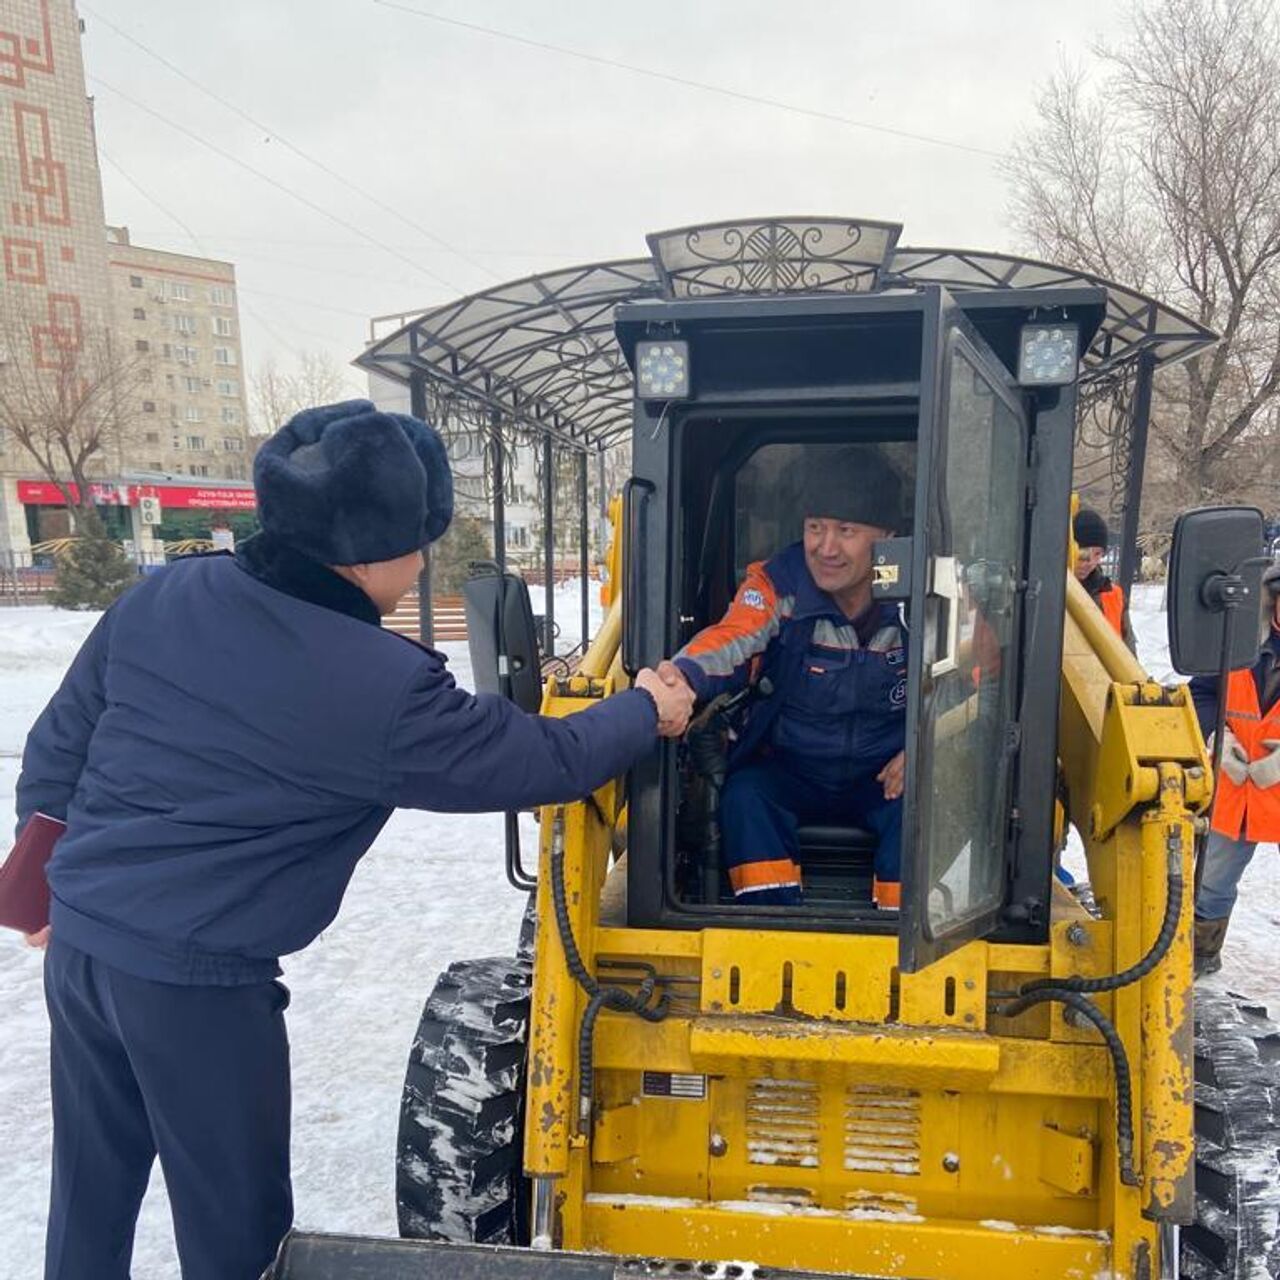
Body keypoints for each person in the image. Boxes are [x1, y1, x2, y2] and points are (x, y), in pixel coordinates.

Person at [16, 400, 693, 1280]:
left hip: (81, 949)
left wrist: (40, 890)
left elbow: (59, 743)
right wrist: (647, 707)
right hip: (199, 988)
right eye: (422, 542)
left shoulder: (168, 591)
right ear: (380, 554)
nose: (422, 564)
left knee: (90, 1196)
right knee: (236, 1232)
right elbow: (542, 759)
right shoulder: (381, 687)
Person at [658, 446, 907, 908]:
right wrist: (683, 676)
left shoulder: (926, 593)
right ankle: (768, 928)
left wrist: (929, 750)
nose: (825, 547)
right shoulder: (778, 585)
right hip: (793, 768)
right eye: (816, 527)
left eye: (846, 531)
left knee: (925, 810)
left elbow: (978, 679)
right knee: (745, 796)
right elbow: (733, 637)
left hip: (885, 777)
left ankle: (903, 943)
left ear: (887, 536)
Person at [1189, 561, 1280, 976]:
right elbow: (1203, 692)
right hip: (1236, 788)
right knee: (1211, 882)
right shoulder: (1237, 643)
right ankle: (1200, 955)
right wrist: (1216, 738)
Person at [1073, 507, 1135, 649]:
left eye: (1098, 553)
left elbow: (1128, 653)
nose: (1089, 561)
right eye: (1083, 552)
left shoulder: (1114, 596)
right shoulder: (1051, 592)